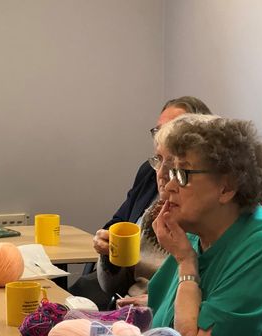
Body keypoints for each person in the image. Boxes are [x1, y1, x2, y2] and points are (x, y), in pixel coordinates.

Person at [70, 96, 212, 308]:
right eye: (159, 131)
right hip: (124, 300)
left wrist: (161, 302)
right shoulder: (150, 182)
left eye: (174, 130)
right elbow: (118, 224)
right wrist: (110, 251)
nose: (162, 174)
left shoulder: (205, 218)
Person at [147, 116, 262, 336]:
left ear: (226, 187)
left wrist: (186, 264)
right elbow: (161, 320)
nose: (168, 187)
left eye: (182, 175)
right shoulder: (193, 235)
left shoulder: (259, 245)